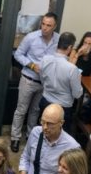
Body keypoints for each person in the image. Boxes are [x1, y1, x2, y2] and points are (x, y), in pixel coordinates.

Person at [10, 12, 59, 152]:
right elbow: (18, 54)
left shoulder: (58, 40)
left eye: (48, 25)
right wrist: (31, 65)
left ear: (54, 26)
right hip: (28, 79)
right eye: (43, 24)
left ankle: (31, 137)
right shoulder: (31, 37)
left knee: (36, 111)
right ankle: (15, 138)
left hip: (45, 83)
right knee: (21, 110)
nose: (45, 28)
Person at [18, 104, 80, 174]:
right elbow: (26, 157)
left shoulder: (72, 147)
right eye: (42, 122)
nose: (45, 127)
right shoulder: (35, 132)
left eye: (50, 124)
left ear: (61, 123)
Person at [39, 31, 83, 132]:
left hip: (45, 102)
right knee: (59, 139)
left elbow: (42, 80)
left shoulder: (45, 59)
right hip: (63, 109)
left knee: (44, 132)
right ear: (70, 48)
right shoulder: (72, 69)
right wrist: (79, 80)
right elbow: (77, 94)